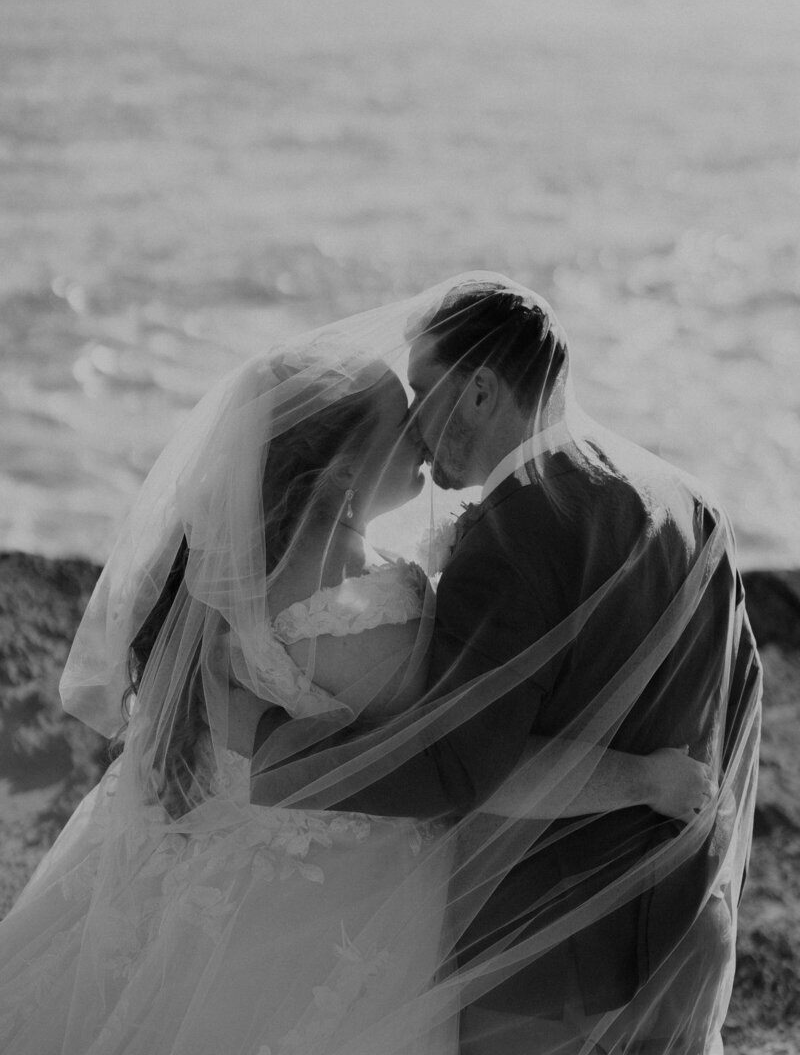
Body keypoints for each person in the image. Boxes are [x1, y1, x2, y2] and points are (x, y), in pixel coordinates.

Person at [0, 324, 707, 1055]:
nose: (425, 436)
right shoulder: (372, 618)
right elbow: (466, 772)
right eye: (405, 424)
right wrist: (643, 780)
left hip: (211, 854)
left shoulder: (232, 582)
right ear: (343, 473)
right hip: (337, 900)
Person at [252, 274, 762, 1055]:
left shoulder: (513, 535)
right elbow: (742, 700)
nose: (414, 429)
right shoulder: (690, 501)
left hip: (545, 956)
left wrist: (275, 766)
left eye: (424, 392)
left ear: (483, 390)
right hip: (685, 925)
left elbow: (463, 769)